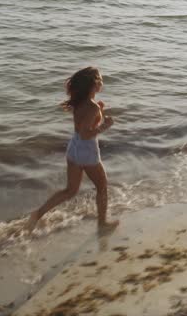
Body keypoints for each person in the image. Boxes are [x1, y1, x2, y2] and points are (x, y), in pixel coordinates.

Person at [26, 66, 120, 233]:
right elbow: (86, 134)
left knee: (70, 190)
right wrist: (105, 125)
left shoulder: (80, 101)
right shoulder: (92, 106)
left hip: (74, 148)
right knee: (102, 186)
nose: (103, 81)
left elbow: (83, 126)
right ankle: (102, 224)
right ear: (94, 83)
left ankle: (37, 214)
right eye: (100, 78)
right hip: (86, 150)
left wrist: (100, 112)